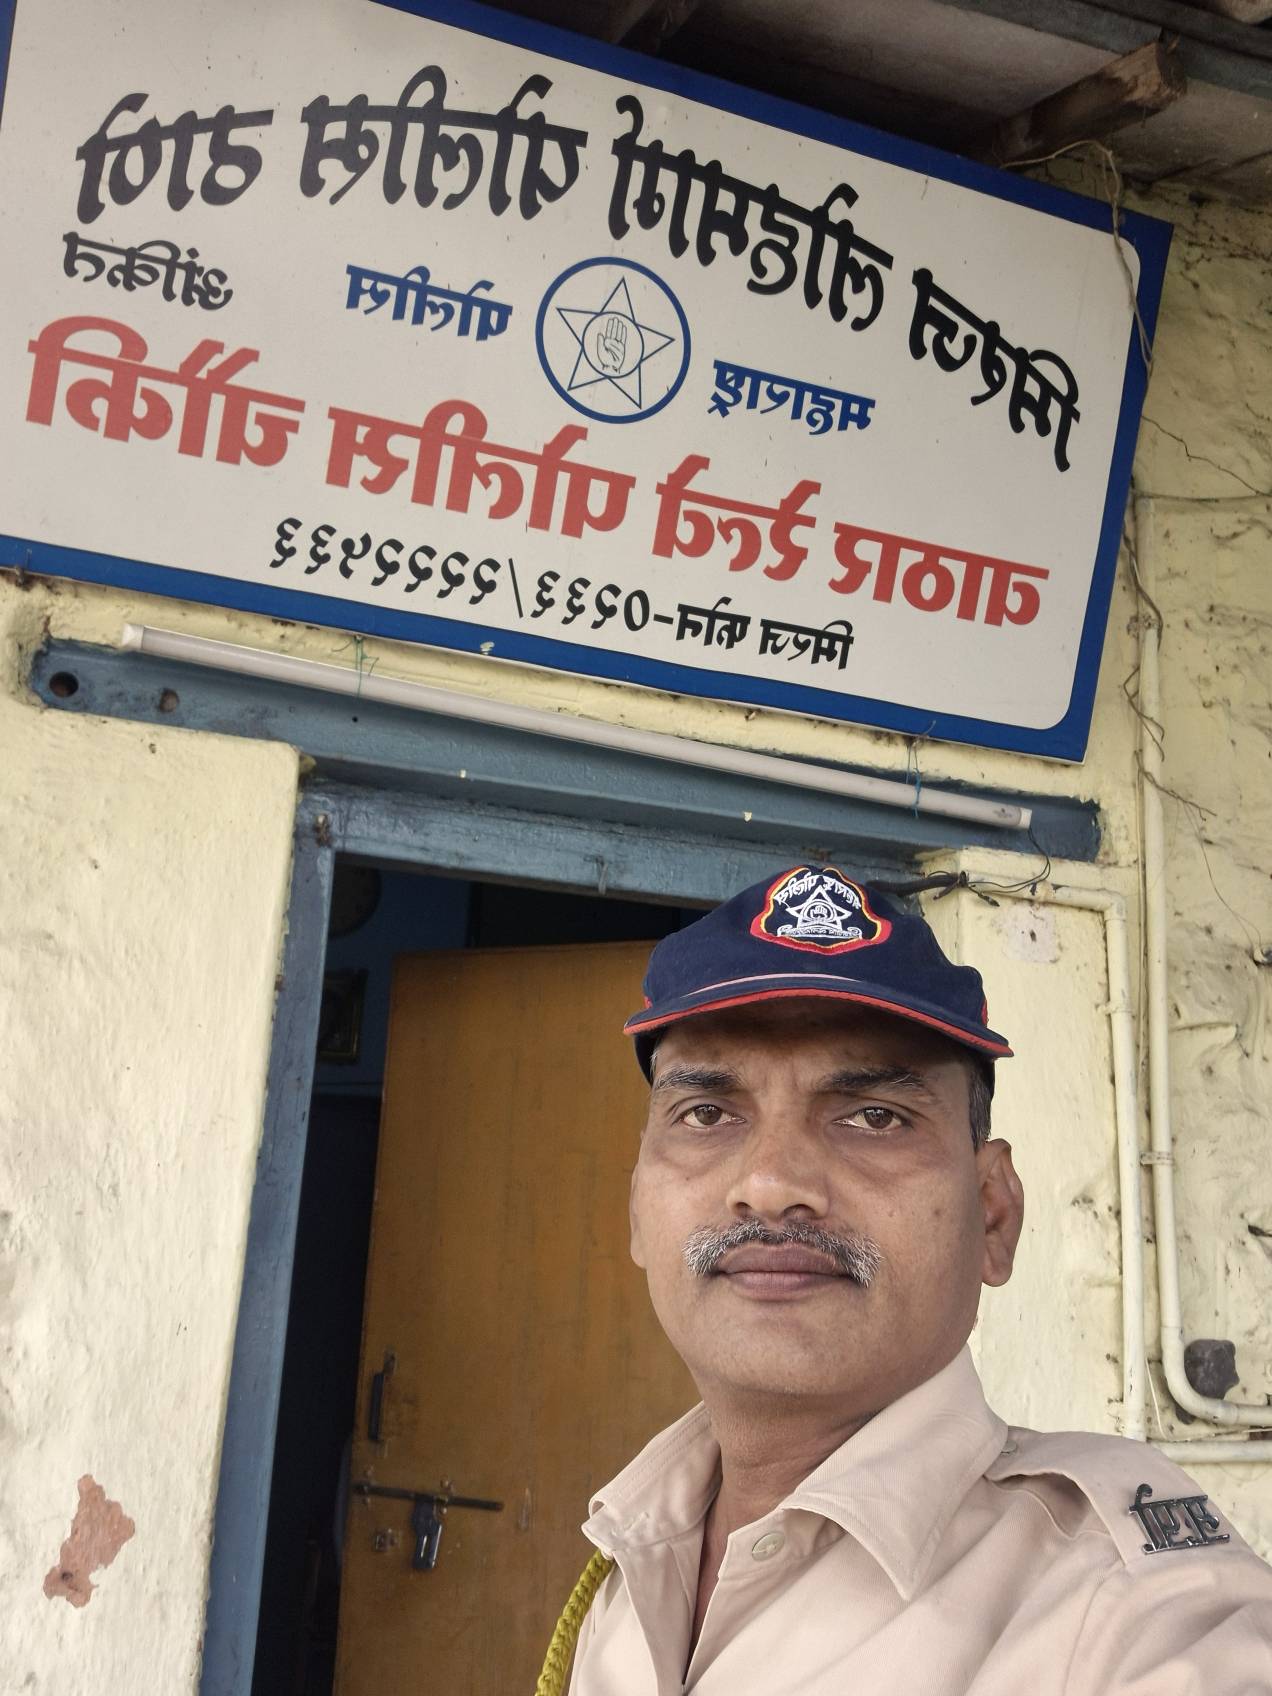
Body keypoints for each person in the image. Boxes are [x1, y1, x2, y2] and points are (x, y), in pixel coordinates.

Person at [551, 864, 1272, 1694]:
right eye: (707, 1114)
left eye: (874, 1116)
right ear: (638, 1212)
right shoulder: (630, 1559)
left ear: (993, 1215)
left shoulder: (1121, 1607)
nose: (771, 1183)